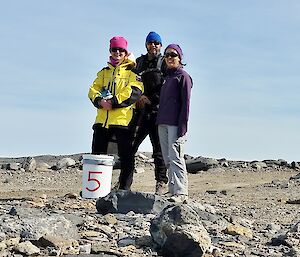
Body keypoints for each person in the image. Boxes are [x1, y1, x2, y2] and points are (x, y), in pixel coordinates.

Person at [88, 36, 144, 190]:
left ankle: (124, 189)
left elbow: (135, 91)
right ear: (110, 51)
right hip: (102, 121)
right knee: (97, 156)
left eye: (121, 50)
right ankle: (96, 188)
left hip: (123, 122)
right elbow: (93, 89)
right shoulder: (103, 72)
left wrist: (113, 102)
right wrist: (100, 101)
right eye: (114, 49)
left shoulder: (133, 72)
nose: (117, 52)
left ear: (126, 52)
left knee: (126, 157)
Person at [132, 31, 168, 194]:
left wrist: (151, 99)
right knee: (130, 147)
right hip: (139, 112)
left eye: (156, 43)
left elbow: (167, 87)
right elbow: (130, 82)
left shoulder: (163, 63)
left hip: (157, 112)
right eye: (150, 42)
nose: (153, 45)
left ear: (160, 45)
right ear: (146, 44)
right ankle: (124, 182)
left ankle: (161, 182)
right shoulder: (138, 63)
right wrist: (138, 97)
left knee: (158, 150)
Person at [156, 44, 193, 203]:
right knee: (167, 158)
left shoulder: (183, 77)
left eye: (173, 55)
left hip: (175, 124)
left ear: (180, 58)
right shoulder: (167, 78)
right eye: (167, 55)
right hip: (162, 122)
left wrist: (183, 126)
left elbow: (186, 103)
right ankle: (172, 189)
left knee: (176, 156)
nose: (170, 58)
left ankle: (181, 191)